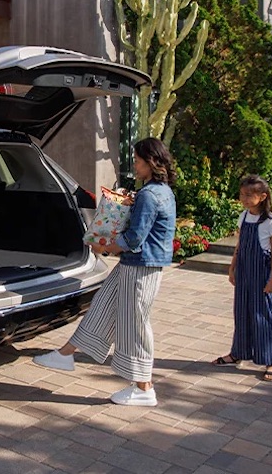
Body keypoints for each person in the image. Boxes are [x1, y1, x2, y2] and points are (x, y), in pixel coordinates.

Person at [32, 137, 176, 407]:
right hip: (139, 265)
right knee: (102, 305)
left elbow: (134, 239)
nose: (134, 165)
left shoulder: (149, 194)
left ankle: (144, 387)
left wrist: (105, 246)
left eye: (137, 160)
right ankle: (66, 353)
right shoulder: (162, 190)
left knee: (134, 324)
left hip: (140, 266)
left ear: (151, 161)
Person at [212, 174, 272, 382]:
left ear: (262, 196)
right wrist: (232, 267)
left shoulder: (271, 221)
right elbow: (240, 245)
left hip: (262, 271)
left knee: (263, 315)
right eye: (242, 194)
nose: (244, 198)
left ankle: (270, 361)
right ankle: (237, 353)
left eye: (249, 195)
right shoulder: (243, 216)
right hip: (243, 269)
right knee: (241, 311)